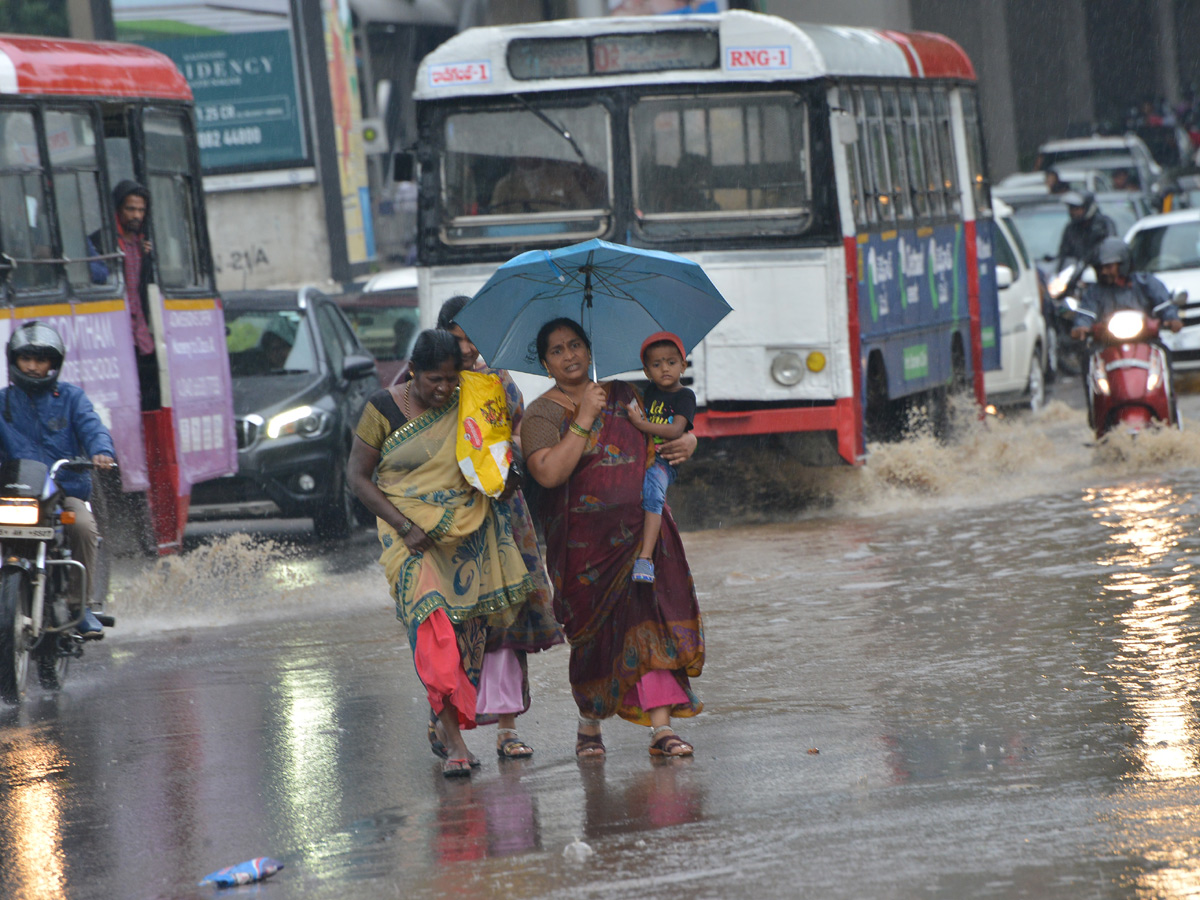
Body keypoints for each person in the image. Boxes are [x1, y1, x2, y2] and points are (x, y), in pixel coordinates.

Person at [347, 330, 559, 777]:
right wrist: (405, 527)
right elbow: (358, 477)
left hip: (469, 531)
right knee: (432, 633)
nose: (444, 389)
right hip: (409, 536)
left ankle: (470, 728)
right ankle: (457, 744)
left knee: (473, 638)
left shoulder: (474, 402)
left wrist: (510, 471)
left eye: (451, 379)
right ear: (413, 372)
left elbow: (493, 467)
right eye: (434, 380)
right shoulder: (382, 408)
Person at [521, 317, 703, 759]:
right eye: (557, 350)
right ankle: (589, 721)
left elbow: (664, 439)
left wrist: (691, 441)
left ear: (589, 349)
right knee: (594, 640)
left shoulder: (625, 395)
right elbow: (547, 474)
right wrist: (584, 416)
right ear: (545, 363)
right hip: (584, 551)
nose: (570, 355)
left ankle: (661, 728)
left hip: (642, 539)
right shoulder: (540, 414)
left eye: (576, 345)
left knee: (650, 627)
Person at [433, 294, 564, 759]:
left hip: (503, 513)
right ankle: (445, 721)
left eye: (474, 338)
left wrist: (509, 452)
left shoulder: (498, 380)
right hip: (449, 520)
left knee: (506, 623)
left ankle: (507, 729)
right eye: (458, 339)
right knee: (452, 625)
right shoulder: (428, 386)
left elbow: (520, 430)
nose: (468, 348)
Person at [0, 322, 116, 635]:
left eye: (40, 360)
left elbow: (93, 427)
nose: (32, 366)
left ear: (53, 363)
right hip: (14, 494)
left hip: (63, 492)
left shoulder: (72, 398)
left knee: (82, 526)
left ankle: (81, 607)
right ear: (14, 360)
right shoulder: (2, 401)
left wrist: (101, 451)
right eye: (26, 358)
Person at [624, 331, 695, 584]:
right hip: (644, 456)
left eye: (671, 362)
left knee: (653, 493)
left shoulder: (684, 396)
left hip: (664, 460)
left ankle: (645, 558)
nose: (665, 368)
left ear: (683, 366)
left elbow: (676, 430)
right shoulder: (648, 393)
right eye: (656, 364)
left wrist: (641, 424)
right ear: (646, 371)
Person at [91, 181, 157, 409]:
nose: (136, 215)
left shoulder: (144, 245)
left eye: (141, 210)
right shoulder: (102, 242)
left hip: (142, 335)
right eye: (130, 209)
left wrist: (149, 259)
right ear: (118, 209)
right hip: (116, 333)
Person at [1070, 237, 1183, 341]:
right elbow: (1086, 312)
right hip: (1106, 344)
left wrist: (1171, 318)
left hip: (1146, 340)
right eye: (1100, 268)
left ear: (1123, 264)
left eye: (1108, 267)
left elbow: (1163, 303)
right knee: (1088, 354)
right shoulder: (1094, 291)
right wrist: (1081, 326)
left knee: (1163, 351)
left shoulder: (1145, 282)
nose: (1103, 272)